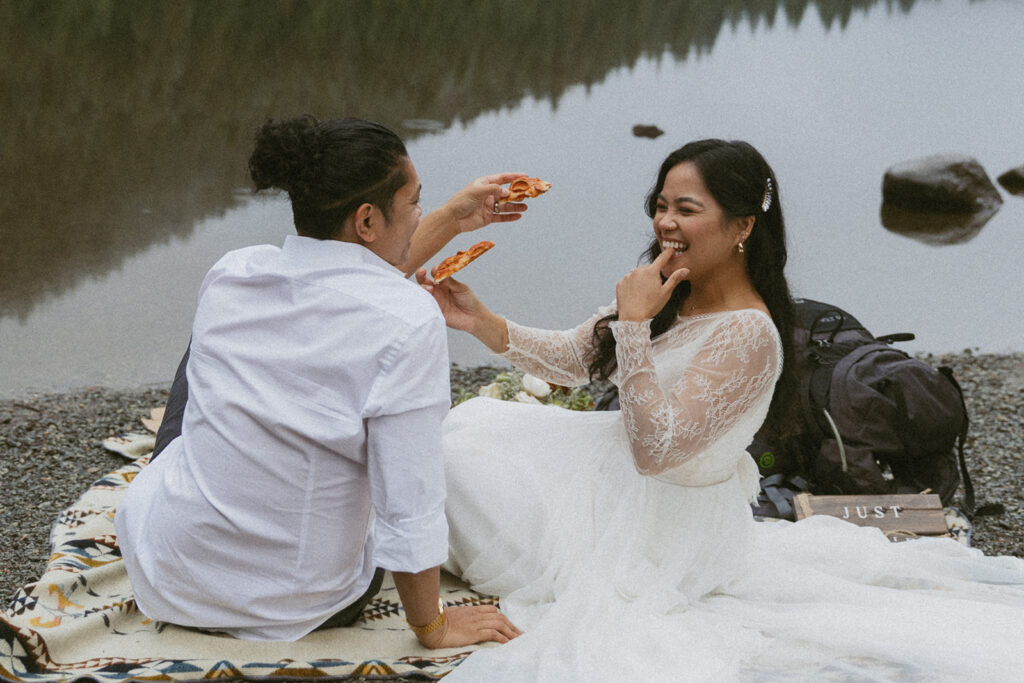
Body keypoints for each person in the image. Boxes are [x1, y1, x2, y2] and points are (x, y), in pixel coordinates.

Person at [417, 139, 1024, 680]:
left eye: (686, 209)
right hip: (610, 468)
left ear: (742, 226)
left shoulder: (750, 333)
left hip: (654, 526)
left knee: (443, 470)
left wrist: (633, 328)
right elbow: (579, 358)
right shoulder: (668, 287)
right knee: (463, 432)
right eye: (661, 205)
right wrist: (481, 322)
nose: (665, 223)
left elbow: (656, 453)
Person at [114, 114, 524, 647]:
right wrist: (432, 625)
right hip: (301, 602)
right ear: (368, 220)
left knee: (212, 355)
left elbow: (350, 278)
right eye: (416, 203)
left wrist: (449, 218)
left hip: (174, 577)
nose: (421, 212)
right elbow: (409, 496)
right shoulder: (409, 319)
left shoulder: (236, 273)